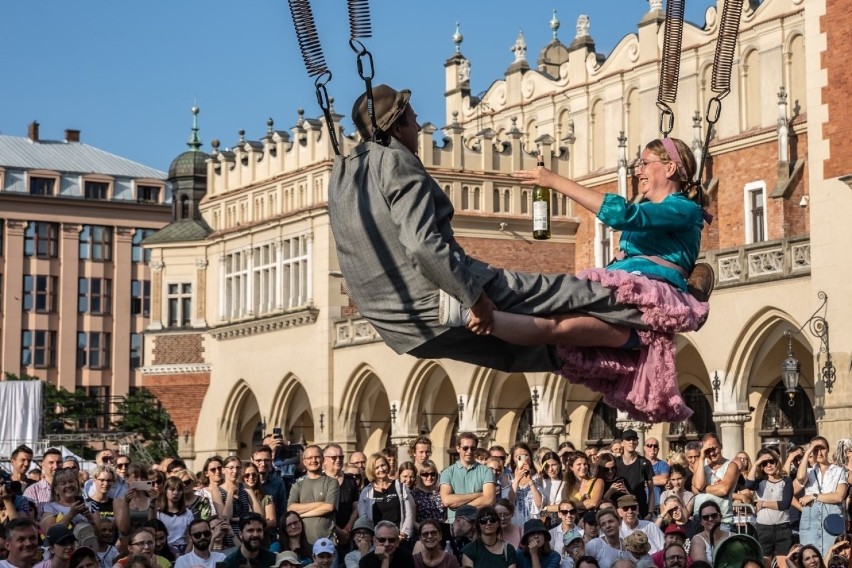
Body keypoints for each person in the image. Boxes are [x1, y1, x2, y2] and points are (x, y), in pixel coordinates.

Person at [329, 85, 702, 383]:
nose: (419, 127)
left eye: (645, 163)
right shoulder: (396, 161)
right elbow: (422, 244)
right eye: (413, 119)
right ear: (396, 127)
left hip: (399, 326)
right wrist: (472, 297)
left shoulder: (342, 175)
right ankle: (635, 336)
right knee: (569, 294)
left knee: (523, 349)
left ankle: (608, 354)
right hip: (441, 294)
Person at [437, 138, 712, 423]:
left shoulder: (683, 208)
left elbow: (624, 216)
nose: (638, 171)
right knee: (553, 325)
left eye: (644, 163)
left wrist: (554, 181)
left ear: (668, 168)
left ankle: (470, 310)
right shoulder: (659, 209)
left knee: (556, 316)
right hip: (632, 307)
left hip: (644, 298)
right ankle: (470, 314)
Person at [794, 436, 848, 559]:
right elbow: (800, 478)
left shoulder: (839, 471)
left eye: (822, 448)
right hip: (810, 519)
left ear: (828, 450)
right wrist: (807, 451)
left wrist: (813, 496)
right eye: (815, 449)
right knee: (809, 559)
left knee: (833, 558)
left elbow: (839, 497)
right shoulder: (808, 472)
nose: (819, 452)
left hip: (831, 519)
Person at [743, 448, 793, 568]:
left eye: (771, 461)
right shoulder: (760, 481)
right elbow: (748, 484)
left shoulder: (786, 480)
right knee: (765, 564)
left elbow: (784, 504)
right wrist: (756, 463)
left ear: (777, 462)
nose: (769, 465)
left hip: (782, 527)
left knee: (784, 564)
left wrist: (763, 503)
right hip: (764, 528)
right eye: (764, 463)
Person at [358, 453, 415, 544]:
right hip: (377, 541)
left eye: (383, 465)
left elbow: (409, 513)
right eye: (376, 467)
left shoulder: (400, 487)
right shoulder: (366, 492)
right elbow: (363, 518)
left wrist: (402, 535)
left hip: (398, 539)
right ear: (371, 470)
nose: (381, 469)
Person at [440, 433, 496, 523]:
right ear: (458, 448)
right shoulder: (447, 473)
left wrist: (461, 510)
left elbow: (489, 500)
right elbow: (447, 501)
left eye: (473, 448)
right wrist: (478, 495)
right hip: (455, 524)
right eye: (465, 448)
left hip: (478, 524)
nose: (469, 451)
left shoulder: (486, 471)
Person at [287, 446, 338, 545]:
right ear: (304, 461)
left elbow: (329, 507)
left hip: (327, 543)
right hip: (303, 544)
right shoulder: (297, 485)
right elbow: (291, 509)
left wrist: (302, 515)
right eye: (309, 458)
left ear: (323, 459)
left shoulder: (332, 482)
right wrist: (320, 504)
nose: (313, 460)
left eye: (317, 457)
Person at [691, 434, 739, 531]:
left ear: (720, 446)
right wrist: (701, 458)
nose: (712, 453)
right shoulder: (699, 464)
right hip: (700, 519)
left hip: (722, 520)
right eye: (708, 451)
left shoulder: (731, 465)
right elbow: (699, 484)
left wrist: (703, 489)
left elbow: (724, 490)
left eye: (714, 448)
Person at [323, 443, 360, 559]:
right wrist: (338, 531)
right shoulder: (320, 481)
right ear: (325, 460)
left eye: (341, 457)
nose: (338, 460)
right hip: (327, 535)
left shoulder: (350, 480)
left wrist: (347, 529)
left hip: (349, 535)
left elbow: (356, 507)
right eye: (334, 458)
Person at [616, 430, 655, 519]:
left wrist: (650, 513)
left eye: (634, 439)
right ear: (622, 443)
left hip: (640, 510)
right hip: (621, 510)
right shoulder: (616, 462)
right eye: (628, 439)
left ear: (637, 442)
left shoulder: (644, 462)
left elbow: (651, 491)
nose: (631, 442)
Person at [156, 477, 194, 555]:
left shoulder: (188, 513)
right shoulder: (159, 513)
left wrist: (185, 556)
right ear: (165, 491)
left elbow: (190, 539)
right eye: (172, 489)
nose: (176, 493)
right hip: (163, 548)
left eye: (179, 490)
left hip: (183, 549)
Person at [253, 445, 288, 529]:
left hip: (272, 532)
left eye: (266, 460)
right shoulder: (245, 482)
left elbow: (282, 510)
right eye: (258, 460)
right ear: (252, 460)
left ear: (271, 461)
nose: (263, 464)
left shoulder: (278, 482)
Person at [508, 443, 543, 526]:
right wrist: (516, 480)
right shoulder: (508, 478)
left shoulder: (537, 478)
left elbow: (539, 504)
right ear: (513, 459)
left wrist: (530, 481)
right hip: (515, 523)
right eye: (518, 456)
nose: (523, 459)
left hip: (533, 522)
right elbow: (510, 502)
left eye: (526, 455)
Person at [410, 459, 444, 530]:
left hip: (441, 532)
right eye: (425, 474)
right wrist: (425, 531)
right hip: (422, 533)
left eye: (432, 474)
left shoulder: (441, 491)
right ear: (419, 476)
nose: (429, 477)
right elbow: (412, 520)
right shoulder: (414, 494)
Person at [242, 463, 276, 531]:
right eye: (247, 475)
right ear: (242, 477)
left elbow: (272, 522)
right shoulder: (237, 497)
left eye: (254, 475)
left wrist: (256, 530)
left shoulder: (266, 498)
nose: (251, 477)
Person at [644, 439, 670, 514]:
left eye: (655, 446)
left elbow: (663, 480)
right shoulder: (639, 463)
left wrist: (645, 481)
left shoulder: (663, 464)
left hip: (657, 508)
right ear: (644, 448)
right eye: (649, 445)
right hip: (642, 506)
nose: (652, 448)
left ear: (658, 449)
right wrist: (656, 479)